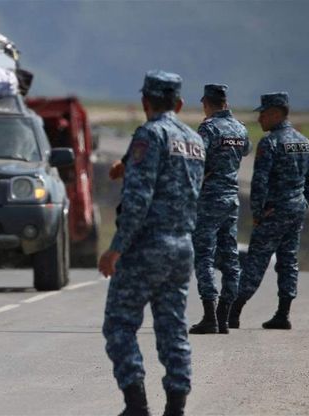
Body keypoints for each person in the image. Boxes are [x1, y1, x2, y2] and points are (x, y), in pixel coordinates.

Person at [98, 70, 204, 416]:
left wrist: (116, 248)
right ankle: (176, 406)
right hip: (182, 247)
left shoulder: (150, 134)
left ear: (145, 101)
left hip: (147, 246)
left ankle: (136, 405)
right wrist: (126, 164)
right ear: (180, 103)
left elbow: (139, 200)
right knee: (173, 328)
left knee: (119, 323)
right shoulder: (194, 140)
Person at [229, 92, 309, 330]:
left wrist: (258, 214)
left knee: (256, 260)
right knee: (289, 260)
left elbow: (259, 183)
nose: (260, 119)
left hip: (274, 211)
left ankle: (233, 311)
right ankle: (283, 313)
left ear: (277, 113)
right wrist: (301, 202)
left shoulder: (270, 143)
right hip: (295, 210)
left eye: (264, 114)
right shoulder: (303, 141)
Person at [189, 84, 251, 335]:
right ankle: (223, 317)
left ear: (207, 103)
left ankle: (209, 316)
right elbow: (244, 150)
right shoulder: (240, 128)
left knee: (204, 255)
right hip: (231, 199)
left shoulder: (209, 128)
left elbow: (196, 158)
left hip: (209, 199)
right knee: (230, 257)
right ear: (225, 102)